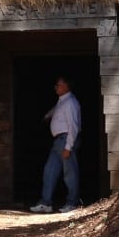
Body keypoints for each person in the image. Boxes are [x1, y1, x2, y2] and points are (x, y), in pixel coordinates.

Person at [30, 76, 81, 214]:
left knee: (69, 173)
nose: (55, 87)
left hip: (65, 140)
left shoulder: (70, 102)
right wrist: (47, 115)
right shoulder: (62, 102)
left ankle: (72, 203)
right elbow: (57, 110)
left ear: (66, 87)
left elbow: (73, 126)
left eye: (58, 84)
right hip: (58, 141)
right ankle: (45, 203)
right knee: (49, 172)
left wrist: (68, 147)